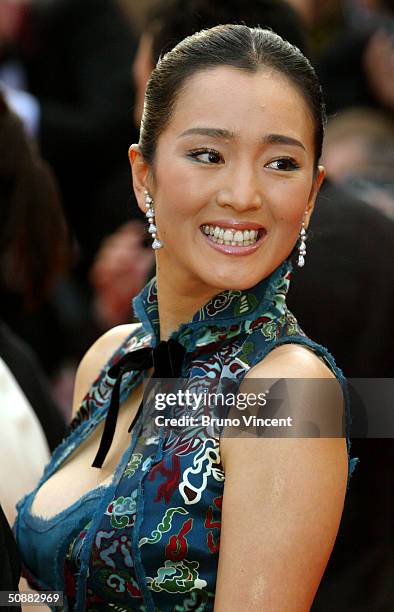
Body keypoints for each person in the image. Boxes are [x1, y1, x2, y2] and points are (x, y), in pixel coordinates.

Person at [15, 25, 356, 610]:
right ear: (142, 175)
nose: (244, 194)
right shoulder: (112, 357)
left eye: (280, 163)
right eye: (208, 155)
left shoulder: (288, 390)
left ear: (312, 195)